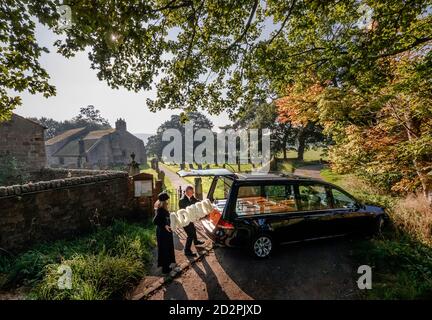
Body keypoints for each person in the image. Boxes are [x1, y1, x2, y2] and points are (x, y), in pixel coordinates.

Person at [178, 185, 205, 257]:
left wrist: (203, 202)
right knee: (190, 235)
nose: (193, 193)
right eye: (191, 192)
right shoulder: (182, 200)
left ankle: (196, 242)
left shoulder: (191, 197)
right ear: (187, 192)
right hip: (185, 220)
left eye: (193, 192)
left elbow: (197, 201)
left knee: (193, 229)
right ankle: (187, 251)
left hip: (190, 219)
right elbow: (188, 208)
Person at [153, 191, 176, 274]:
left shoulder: (164, 209)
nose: (168, 202)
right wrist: (164, 225)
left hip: (166, 233)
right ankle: (165, 269)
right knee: (164, 249)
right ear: (163, 202)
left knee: (167, 248)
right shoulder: (160, 210)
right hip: (162, 233)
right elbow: (155, 221)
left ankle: (167, 266)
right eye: (166, 201)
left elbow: (165, 219)